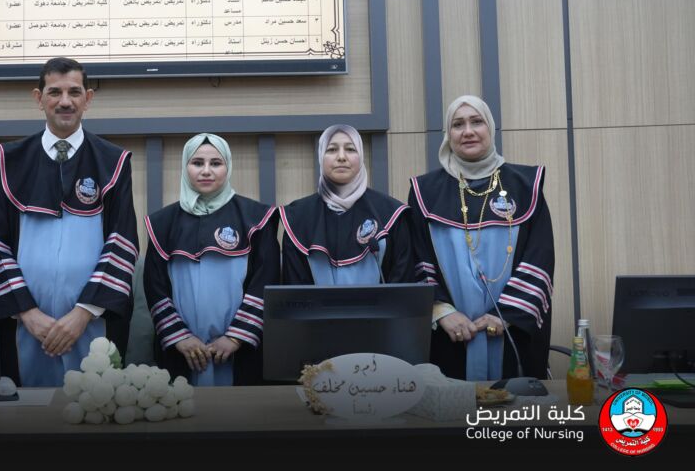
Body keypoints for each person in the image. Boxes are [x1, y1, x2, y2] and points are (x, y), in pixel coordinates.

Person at [0, 57, 138, 387]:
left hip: (93, 323)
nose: (65, 101)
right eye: (54, 92)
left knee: (94, 406)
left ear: (88, 98)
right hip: (24, 325)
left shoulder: (113, 162)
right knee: (25, 411)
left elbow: (122, 243)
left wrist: (82, 314)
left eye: (74, 92)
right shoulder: (10, 162)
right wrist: (28, 313)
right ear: (38, 98)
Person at [408, 95, 553, 381]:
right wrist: (441, 311)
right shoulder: (425, 192)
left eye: (477, 122)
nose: (468, 131)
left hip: (511, 331)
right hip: (451, 335)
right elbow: (416, 259)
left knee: (513, 404)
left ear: (491, 127)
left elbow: (540, 257)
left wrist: (506, 315)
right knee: (451, 403)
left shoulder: (526, 185)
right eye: (457, 124)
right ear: (448, 134)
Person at [143, 134, 279, 386]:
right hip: (181, 349)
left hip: (240, 350)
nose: (206, 171)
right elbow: (155, 285)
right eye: (197, 163)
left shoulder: (256, 218)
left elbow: (266, 279)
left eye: (216, 163)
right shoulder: (162, 223)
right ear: (185, 166)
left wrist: (235, 337)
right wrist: (180, 337)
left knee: (240, 408)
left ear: (228, 166)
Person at [280, 125, 413, 286]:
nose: (341, 157)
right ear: (321, 156)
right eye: (332, 150)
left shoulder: (391, 213)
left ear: (361, 156)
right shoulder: (298, 218)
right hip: (314, 305)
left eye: (350, 149)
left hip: (383, 304)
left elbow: (403, 283)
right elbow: (293, 291)